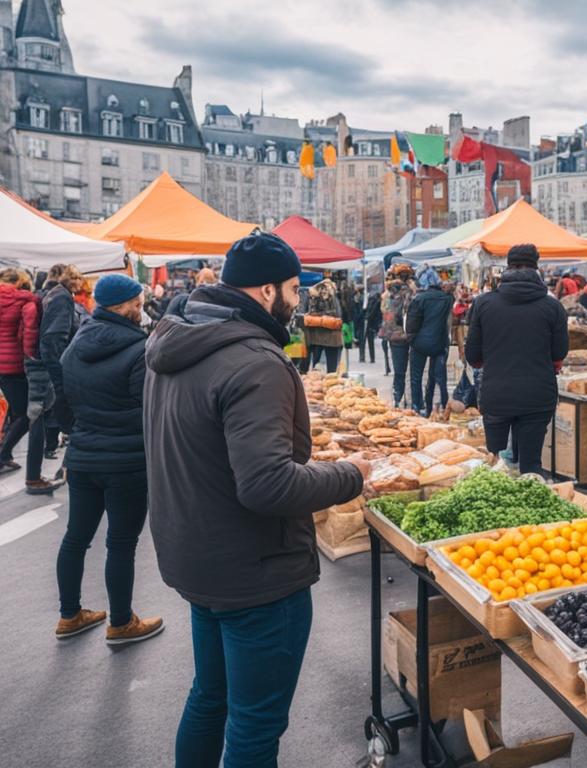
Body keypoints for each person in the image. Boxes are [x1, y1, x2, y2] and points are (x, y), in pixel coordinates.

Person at [144, 232, 369, 766]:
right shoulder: (254, 361)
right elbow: (268, 484)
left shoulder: (174, 340)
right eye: (293, 288)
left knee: (210, 697)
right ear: (267, 290)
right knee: (255, 726)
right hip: (258, 573)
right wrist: (351, 473)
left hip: (201, 559)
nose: (297, 301)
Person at [54, 274, 162, 644]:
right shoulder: (139, 349)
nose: (140, 307)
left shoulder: (75, 345)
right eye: (137, 301)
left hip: (83, 456)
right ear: (125, 305)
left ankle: (69, 615)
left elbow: (62, 405)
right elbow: (148, 410)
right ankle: (120, 621)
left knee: (76, 537)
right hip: (126, 461)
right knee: (120, 543)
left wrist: (81, 431)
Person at [466, 244, 569, 477]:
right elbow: (559, 354)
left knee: (494, 464)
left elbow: (473, 356)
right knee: (531, 466)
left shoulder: (484, 304)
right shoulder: (552, 307)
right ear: (537, 268)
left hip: (497, 393)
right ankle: (533, 509)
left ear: (507, 268)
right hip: (537, 395)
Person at [0, 268, 54, 489]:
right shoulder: (26, 301)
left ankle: (5, 453)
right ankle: (3, 455)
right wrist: (34, 358)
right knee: (24, 414)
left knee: (15, 410)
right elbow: (30, 334)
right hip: (15, 365)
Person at [38, 264, 81, 468]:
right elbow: (54, 337)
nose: (81, 283)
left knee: (45, 409)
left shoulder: (51, 293)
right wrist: (60, 369)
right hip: (56, 364)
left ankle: (54, 451)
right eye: (78, 278)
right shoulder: (62, 296)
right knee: (60, 407)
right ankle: (61, 458)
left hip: (47, 362)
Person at [405, 278, 453, 416]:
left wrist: (412, 340)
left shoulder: (419, 299)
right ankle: (442, 405)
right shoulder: (447, 299)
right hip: (439, 342)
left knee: (416, 377)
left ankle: (416, 407)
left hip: (419, 343)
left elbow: (411, 322)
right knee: (437, 377)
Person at [379, 265, 416, 406]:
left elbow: (386, 315)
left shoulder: (388, 293)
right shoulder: (410, 292)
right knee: (411, 372)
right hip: (410, 335)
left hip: (395, 335)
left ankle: (398, 399)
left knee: (399, 371)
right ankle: (408, 400)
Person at [303, 278, 344, 374]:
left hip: (319, 339)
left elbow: (307, 315)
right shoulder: (333, 298)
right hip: (330, 340)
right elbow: (338, 316)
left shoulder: (313, 297)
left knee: (318, 371)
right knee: (330, 372)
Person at [361, 285, 382, 366]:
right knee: (369, 341)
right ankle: (370, 358)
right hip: (370, 322)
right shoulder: (375, 300)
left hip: (368, 322)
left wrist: (367, 317)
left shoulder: (372, 300)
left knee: (365, 340)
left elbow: (371, 312)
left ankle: (364, 357)